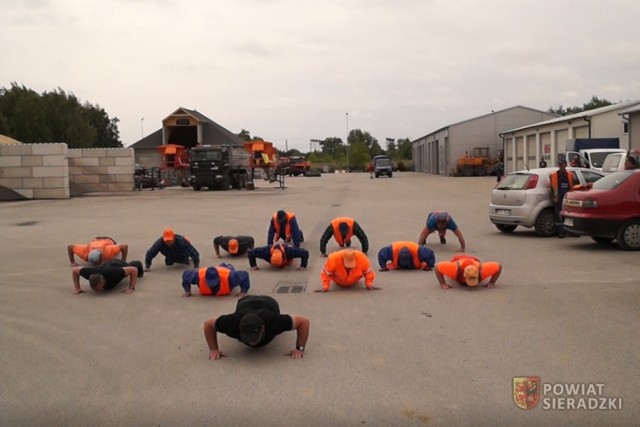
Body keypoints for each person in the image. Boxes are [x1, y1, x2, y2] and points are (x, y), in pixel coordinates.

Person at [203, 295, 310, 360]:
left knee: (276, 311)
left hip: (269, 302)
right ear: (239, 328)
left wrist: (299, 349)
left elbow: (303, 322)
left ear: (263, 329)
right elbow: (208, 324)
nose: (251, 342)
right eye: (247, 337)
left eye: (254, 337)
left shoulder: (274, 321)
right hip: (245, 301)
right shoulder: (232, 323)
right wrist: (214, 350)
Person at [71, 259, 143, 294]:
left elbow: (133, 270)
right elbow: (74, 270)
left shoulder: (113, 273)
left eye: (99, 288)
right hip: (105, 264)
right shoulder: (89, 273)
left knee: (133, 266)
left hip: (117, 263)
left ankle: (138, 264)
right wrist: (77, 288)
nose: (98, 291)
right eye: (95, 290)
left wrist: (131, 288)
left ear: (103, 280)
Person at [181, 263, 250, 298]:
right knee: (220, 267)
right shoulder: (197, 276)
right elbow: (186, 275)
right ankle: (220, 266)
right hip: (205, 271)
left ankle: (225, 265)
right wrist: (187, 291)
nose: (212, 285)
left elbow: (244, 275)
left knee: (228, 267)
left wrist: (243, 291)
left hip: (225, 271)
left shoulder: (230, 277)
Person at [434, 254, 502, 289]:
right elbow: (437, 267)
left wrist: (492, 282)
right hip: (458, 259)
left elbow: (499, 266)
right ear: (464, 275)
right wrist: (442, 283)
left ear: (478, 274)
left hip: (474, 260)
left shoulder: (483, 271)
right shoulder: (454, 269)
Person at [549, 161, 574, 238]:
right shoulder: (554, 175)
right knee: (558, 215)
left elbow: (572, 186)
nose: (560, 166)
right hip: (558, 197)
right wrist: (554, 196)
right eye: (559, 164)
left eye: (562, 164)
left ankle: (569, 232)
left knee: (568, 215)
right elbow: (552, 188)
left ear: (565, 165)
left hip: (567, 197)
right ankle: (560, 232)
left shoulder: (570, 175)